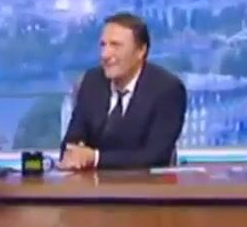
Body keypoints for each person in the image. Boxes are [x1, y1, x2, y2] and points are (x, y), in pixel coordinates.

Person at [59, 12, 187, 170]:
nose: (105, 55)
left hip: (145, 183)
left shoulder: (167, 89)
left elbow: (156, 155)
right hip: (92, 184)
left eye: (115, 45)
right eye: (103, 45)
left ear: (141, 51)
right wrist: (74, 155)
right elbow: (70, 144)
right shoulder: (92, 82)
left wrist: (95, 158)